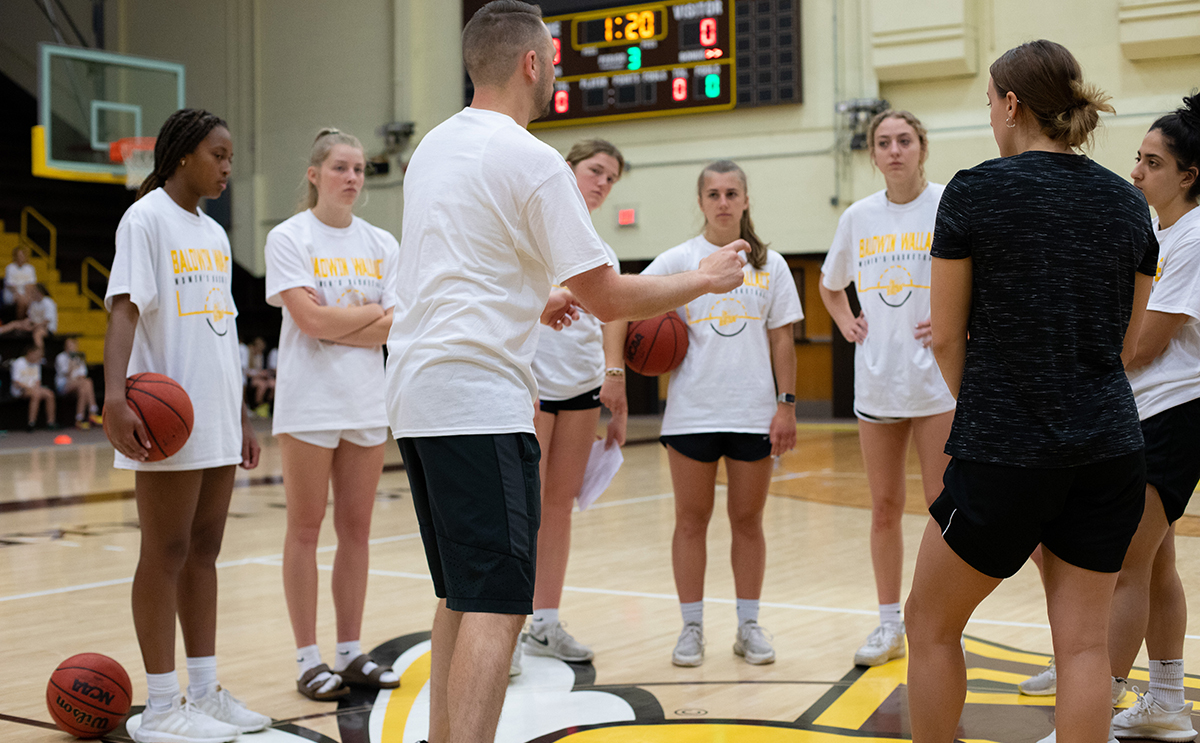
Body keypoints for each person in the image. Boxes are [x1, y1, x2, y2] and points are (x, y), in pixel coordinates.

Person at [385, 3, 749, 741]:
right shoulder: (529, 157)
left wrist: (537, 297)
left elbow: (466, 268)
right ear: (530, 63)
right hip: (477, 398)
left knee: (462, 593)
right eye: (550, 57)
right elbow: (609, 295)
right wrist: (705, 279)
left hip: (417, 393)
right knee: (496, 604)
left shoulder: (433, 146)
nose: (554, 70)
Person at [903, 41, 1156, 743]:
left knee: (928, 624)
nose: (989, 115)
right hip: (1109, 450)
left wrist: (982, 404)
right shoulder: (1128, 204)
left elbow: (947, 336)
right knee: (1081, 648)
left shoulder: (976, 190)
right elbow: (1128, 346)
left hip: (1004, 452)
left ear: (1012, 104)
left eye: (989, 101)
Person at [103, 108, 268, 743]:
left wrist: (244, 416)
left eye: (230, 156)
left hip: (219, 411)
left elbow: (220, 329)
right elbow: (124, 311)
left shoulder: (216, 235)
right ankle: (164, 705)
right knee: (165, 551)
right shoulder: (144, 219)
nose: (228, 167)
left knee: (205, 551)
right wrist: (114, 398)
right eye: (218, 155)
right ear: (181, 156)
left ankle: (204, 692)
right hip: (164, 418)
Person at [644, 160, 802, 668]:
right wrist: (619, 370)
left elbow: (782, 339)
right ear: (700, 202)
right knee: (691, 521)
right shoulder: (679, 259)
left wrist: (787, 406)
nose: (723, 202)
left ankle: (748, 625)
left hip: (754, 412)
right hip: (691, 411)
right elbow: (629, 305)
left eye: (732, 192)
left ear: (746, 200)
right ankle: (691, 628)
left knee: (747, 521)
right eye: (713, 193)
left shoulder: (769, 265)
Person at [265, 127, 401, 702]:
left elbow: (401, 324)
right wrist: (368, 315)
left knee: (357, 530)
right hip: (309, 400)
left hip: (368, 399)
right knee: (304, 527)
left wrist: (346, 318)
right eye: (341, 167)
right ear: (315, 174)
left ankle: (349, 653)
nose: (352, 178)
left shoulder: (382, 244)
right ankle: (307, 658)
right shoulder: (289, 238)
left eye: (360, 169)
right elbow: (309, 322)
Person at [818, 110, 955, 668]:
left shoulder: (948, 203)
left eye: (904, 140)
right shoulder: (857, 217)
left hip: (935, 382)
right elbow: (831, 286)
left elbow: (986, 277)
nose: (894, 150)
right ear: (873, 155)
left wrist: (960, 322)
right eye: (883, 143)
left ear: (922, 146)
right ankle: (888, 624)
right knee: (883, 508)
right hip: (876, 381)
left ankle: (944, 621)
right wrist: (846, 319)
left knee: (944, 507)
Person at [1105, 93, 1200, 742]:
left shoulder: (1193, 236)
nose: (1136, 172)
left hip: (1173, 411)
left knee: (1122, 566)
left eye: (1153, 161)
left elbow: (1142, 346)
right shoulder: (1165, 235)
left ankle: (1089, 713)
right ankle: (1166, 700)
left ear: (1189, 174)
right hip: (1158, 410)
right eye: (1137, 158)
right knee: (1157, 563)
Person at [520, 138, 628, 668]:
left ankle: (545, 623)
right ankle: (507, 626)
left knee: (558, 508)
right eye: (595, 170)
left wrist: (615, 376)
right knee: (523, 508)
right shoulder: (535, 230)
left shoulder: (600, 248)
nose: (602, 183)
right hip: (533, 384)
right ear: (568, 169)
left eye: (611, 177)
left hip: (582, 387)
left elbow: (614, 315)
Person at [56, 337, 101, 429]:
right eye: (68, 346)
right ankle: (93, 412)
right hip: (64, 385)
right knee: (86, 383)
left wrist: (79, 378)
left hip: (79, 384)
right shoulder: (61, 357)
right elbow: (67, 374)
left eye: (72, 345)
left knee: (84, 387)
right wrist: (71, 362)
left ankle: (79, 419)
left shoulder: (79, 357)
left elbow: (83, 374)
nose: (70, 347)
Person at [11, 344, 55, 430]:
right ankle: (31, 423)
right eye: (36, 355)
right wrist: (30, 388)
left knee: (50, 394)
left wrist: (36, 388)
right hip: (20, 389)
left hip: (34, 388)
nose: (37, 357)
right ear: (30, 353)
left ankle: (51, 422)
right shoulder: (19, 363)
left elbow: (38, 380)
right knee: (36, 394)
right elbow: (16, 382)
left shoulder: (37, 363)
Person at [4, 246, 38, 319]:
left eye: (22, 255)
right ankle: (20, 320)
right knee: (22, 301)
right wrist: (19, 294)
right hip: (13, 293)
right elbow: (10, 285)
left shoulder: (30, 268)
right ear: (15, 256)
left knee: (31, 300)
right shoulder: (10, 268)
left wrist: (27, 295)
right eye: (19, 255)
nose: (20, 257)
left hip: (26, 292)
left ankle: (29, 320)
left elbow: (31, 284)